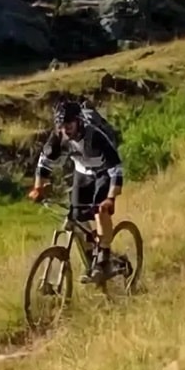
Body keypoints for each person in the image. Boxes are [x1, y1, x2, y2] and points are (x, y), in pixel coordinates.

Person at [27, 100, 124, 284]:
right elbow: (44, 163)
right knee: (77, 215)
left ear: (78, 121)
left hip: (104, 173)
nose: (65, 130)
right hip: (83, 173)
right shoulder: (58, 137)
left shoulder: (95, 137)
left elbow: (116, 169)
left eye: (69, 125)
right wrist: (38, 188)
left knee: (99, 210)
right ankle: (90, 256)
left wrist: (111, 198)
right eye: (61, 126)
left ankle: (104, 257)